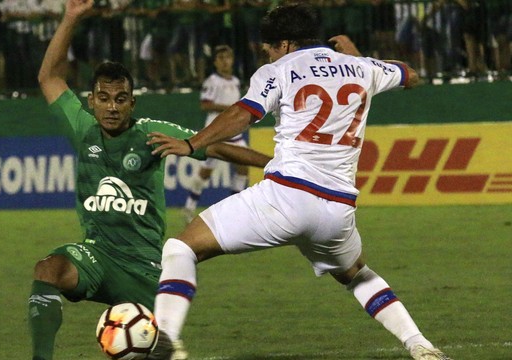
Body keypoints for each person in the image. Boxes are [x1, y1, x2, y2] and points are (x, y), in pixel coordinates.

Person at [146, 3, 452, 360]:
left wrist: (192, 143)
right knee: (356, 274)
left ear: (286, 43)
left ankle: (163, 341)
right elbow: (412, 76)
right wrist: (361, 59)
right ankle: (421, 346)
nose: (267, 53)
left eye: (269, 47)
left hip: (285, 198)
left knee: (180, 248)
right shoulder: (363, 67)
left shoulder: (277, 71)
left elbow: (244, 114)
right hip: (337, 211)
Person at [29, 1, 272, 360]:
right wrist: (70, 19)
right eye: (104, 99)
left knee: (160, 351)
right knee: (48, 269)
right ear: (92, 101)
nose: (112, 107)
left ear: (132, 104)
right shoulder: (82, 130)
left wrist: (272, 164)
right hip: (96, 255)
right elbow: (49, 77)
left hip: (144, 266)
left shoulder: (152, 134)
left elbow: (217, 148)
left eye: (121, 99)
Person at [183, 45, 249, 223]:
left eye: (227, 57)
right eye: (220, 58)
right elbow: (205, 104)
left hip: (234, 134)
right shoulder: (212, 81)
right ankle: (189, 206)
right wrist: (230, 109)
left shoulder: (235, 81)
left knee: (243, 168)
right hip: (216, 133)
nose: (225, 61)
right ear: (215, 62)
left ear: (232, 60)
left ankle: (235, 209)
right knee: (206, 172)